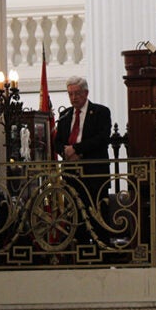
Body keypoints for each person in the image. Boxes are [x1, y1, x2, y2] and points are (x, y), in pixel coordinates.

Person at [53, 76, 113, 235]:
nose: (73, 98)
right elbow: (57, 141)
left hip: (94, 174)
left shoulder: (101, 112)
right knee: (75, 217)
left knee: (98, 216)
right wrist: (66, 151)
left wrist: (77, 150)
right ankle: (80, 253)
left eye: (77, 94)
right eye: (70, 94)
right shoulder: (65, 115)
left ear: (86, 93)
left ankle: (102, 254)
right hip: (71, 174)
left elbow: (102, 138)